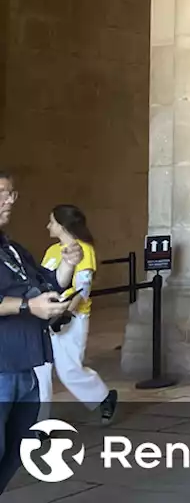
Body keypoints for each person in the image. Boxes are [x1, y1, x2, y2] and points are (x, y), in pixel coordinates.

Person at [0, 171, 78, 494]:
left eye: (12, 193)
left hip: (25, 364)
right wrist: (27, 308)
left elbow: (47, 281)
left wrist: (68, 264)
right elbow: (26, 302)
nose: (10, 200)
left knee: (18, 449)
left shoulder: (13, 249)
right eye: (3, 192)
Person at [35, 205, 117, 423]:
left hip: (71, 318)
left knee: (68, 369)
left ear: (63, 225)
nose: (48, 226)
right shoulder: (52, 251)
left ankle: (103, 397)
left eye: (51, 222)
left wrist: (65, 312)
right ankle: (37, 423)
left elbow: (83, 287)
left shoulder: (83, 249)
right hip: (46, 315)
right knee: (41, 370)